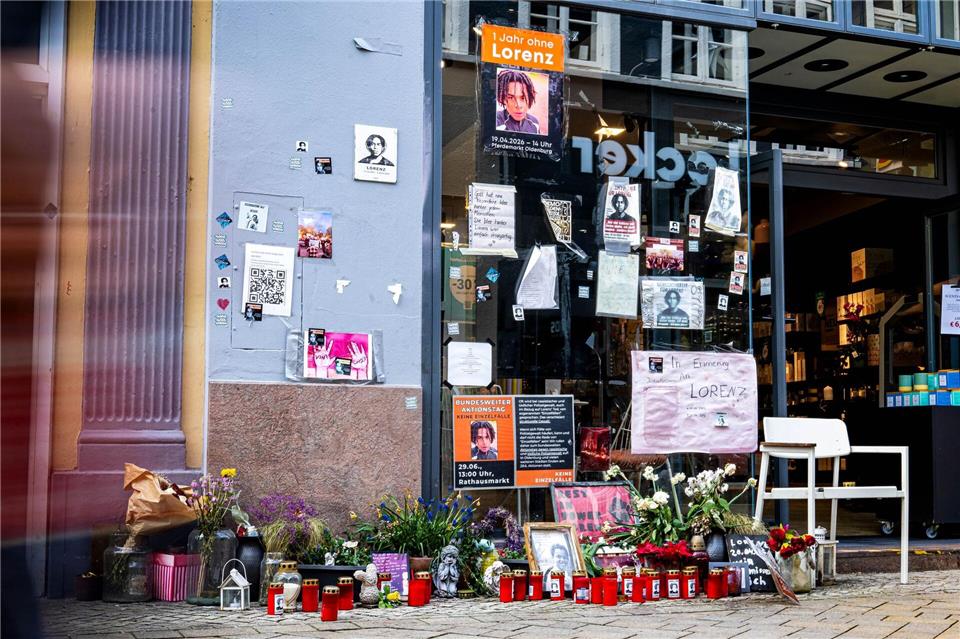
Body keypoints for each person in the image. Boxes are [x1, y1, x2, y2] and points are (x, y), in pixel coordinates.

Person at [495, 70, 541, 134]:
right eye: (511, 97)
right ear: (502, 99)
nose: (518, 105)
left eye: (523, 97)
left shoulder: (534, 122)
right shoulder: (495, 121)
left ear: (530, 97)